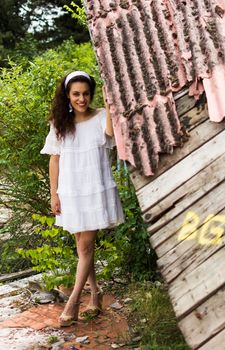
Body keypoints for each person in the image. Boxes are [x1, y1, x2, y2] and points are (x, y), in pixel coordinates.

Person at [40, 70, 124, 327]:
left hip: (94, 189)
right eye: (76, 94)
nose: (81, 98)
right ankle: (96, 294)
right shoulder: (60, 124)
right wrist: (54, 194)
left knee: (86, 246)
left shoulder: (99, 117)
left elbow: (111, 134)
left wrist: (110, 104)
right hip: (71, 191)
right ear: (67, 95)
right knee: (81, 247)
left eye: (86, 93)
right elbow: (55, 159)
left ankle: (73, 302)